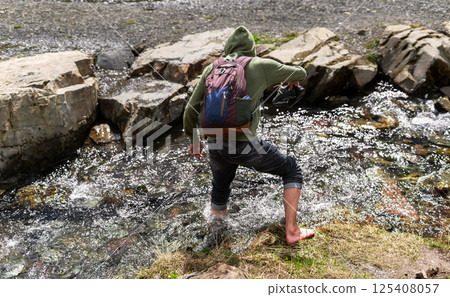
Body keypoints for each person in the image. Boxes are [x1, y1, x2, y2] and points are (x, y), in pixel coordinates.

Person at [183, 26, 315, 244]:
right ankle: (292, 231)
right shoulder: (260, 65)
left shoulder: (211, 69)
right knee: (292, 169)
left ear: (228, 48)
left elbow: (191, 109)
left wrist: (193, 139)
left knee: (220, 190)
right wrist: (289, 80)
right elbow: (301, 73)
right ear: (251, 49)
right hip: (244, 144)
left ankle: (216, 240)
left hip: (215, 145)